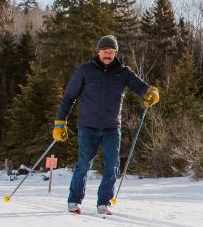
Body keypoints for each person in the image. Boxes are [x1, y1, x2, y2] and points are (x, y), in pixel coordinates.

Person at [54, 35, 160, 214]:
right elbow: (69, 97)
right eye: (105, 51)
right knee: (84, 164)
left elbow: (140, 86)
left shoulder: (123, 72)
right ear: (99, 52)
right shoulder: (85, 70)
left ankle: (104, 203)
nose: (108, 55)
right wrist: (60, 122)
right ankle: (74, 200)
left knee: (112, 165)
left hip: (112, 127)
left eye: (111, 52)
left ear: (115, 53)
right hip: (88, 126)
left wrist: (151, 92)